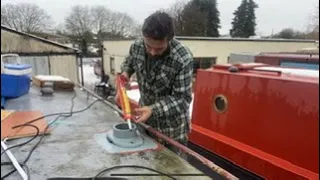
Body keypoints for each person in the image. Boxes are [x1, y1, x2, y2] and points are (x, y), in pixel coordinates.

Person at [118, 11, 194, 156]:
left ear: (170, 39)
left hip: (171, 132)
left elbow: (182, 99)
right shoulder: (136, 47)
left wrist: (153, 109)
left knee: (172, 172)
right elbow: (129, 62)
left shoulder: (182, 58)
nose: (152, 52)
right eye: (148, 47)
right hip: (144, 124)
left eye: (159, 48)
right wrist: (126, 73)